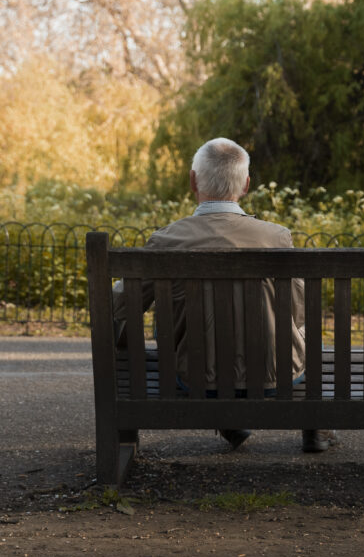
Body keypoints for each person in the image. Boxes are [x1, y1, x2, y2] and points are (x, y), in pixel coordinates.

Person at [113, 137, 337, 454]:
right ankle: (315, 425)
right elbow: (299, 313)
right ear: (245, 185)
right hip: (278, 378)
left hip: (198, 380)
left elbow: (121, 305)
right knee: (302, 333)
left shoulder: (166, 241)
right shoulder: (277, 237)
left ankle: (229, 420)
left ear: (193, 180)